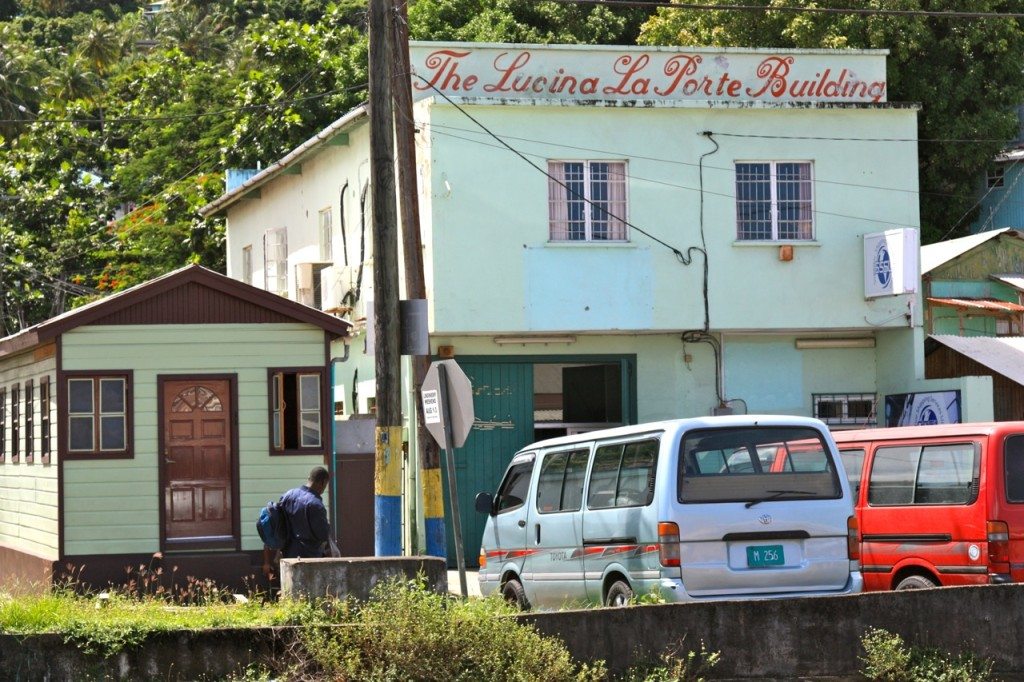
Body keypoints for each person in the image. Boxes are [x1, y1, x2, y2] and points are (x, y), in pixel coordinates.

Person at [262, 466, 332, 580]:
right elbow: (323, 534)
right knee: (308, 594)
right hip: (309, 558)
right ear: (323, 482)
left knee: (288, 591)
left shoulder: (288, 495)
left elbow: (278, 520)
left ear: (309, 478)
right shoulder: (316, 505)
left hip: (286, 554)